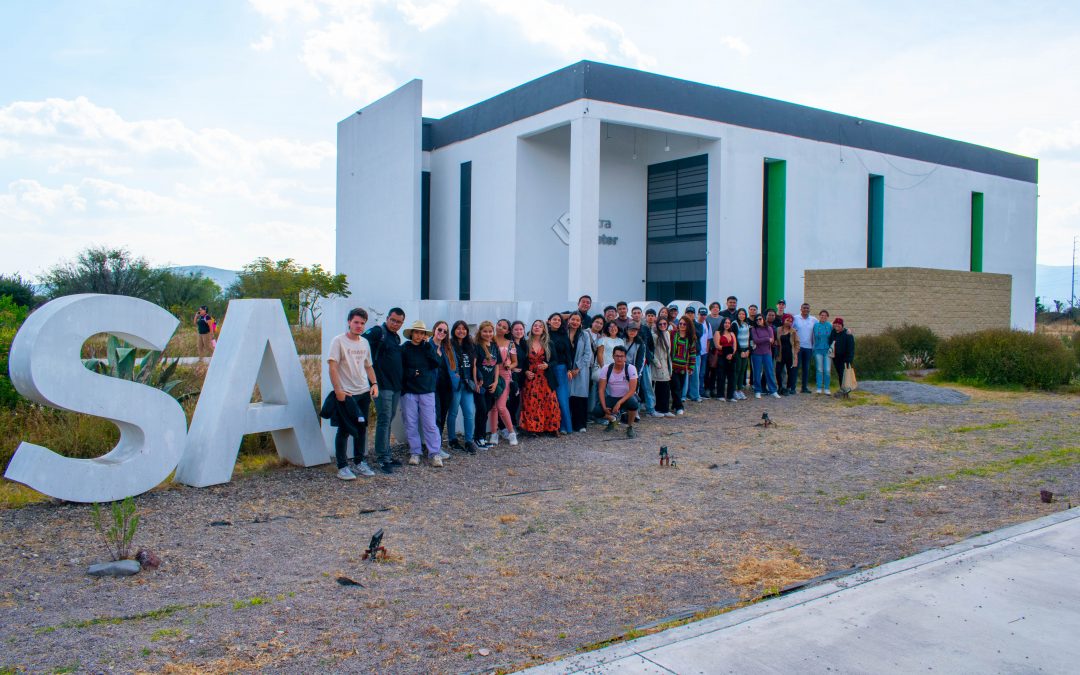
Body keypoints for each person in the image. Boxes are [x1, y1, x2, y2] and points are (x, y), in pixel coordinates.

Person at [327, 307, 379, 480]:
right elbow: (332, 367)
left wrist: (374, 383)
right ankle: (342, 466)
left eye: (362, 323)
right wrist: (338, 390)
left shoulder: (364, 342)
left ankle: (359, 461)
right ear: (349, 322)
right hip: (347, 394)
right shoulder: (338, 341)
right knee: (344, 430)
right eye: (356, 322)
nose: (359, 326)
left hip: (363, 392)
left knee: (361, 428)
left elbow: (368, 366)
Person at [364, 307, 405, 474]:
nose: (395, 324)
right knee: (384, 419)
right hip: (382, 386)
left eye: (399, 322)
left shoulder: (395, 337)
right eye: (393, 320)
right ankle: (382, 458)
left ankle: (386, 453)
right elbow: (361, 342)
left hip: (395, 386)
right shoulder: (377, 332)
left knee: (388, 419)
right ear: (387, 318)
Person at [400, 320, 444, 467]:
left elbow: (436, 362)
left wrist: (428, 346)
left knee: (430, 424)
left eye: (422, 333)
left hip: (427, 390)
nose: (419, 335)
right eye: (416, 332)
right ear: (411, 333)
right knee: (410, 423)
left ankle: (435, 453)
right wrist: (413, 373)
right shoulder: (405, 348)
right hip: (409, 391)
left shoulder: (427, 347)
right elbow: (400, 368)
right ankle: (415, 452)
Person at [520, 320, 561, 434]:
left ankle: (552, 428)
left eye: (540, 326)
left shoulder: (549, 343)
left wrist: (547, 365)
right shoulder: (525, 343)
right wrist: (525, 371)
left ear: (544, 330)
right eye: (535, 325)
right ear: (532, 328)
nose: (537, 327)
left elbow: (555, 361)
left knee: (550, 401)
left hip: (545, 377)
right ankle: (533, 428)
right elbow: (521, 362)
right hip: (531, 378)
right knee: (532, 403)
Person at [445, 320, 478, 454]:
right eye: (458, 328)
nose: (461, 331)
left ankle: (469, 441)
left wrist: (476, 379)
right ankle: (452, 439)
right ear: (453, 330)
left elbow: (474, 365)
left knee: (469, 413)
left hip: (467, 384)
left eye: (464, 329)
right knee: (453, 412)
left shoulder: (470, 345)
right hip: (456, 384)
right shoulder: (449, 344)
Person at [484, 319, 518, 446]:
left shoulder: (510, 344)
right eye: (499, 325)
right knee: (493, 407)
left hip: (504, 376)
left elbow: (515, 362)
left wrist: (510, 365)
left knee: (501, 406)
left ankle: (511, 432)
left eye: (504, 327)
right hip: (490, 374)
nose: (500, 328)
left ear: (508, 331)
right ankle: (494, 433)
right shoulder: (489, 340)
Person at [597, 345, 639, 438]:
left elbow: (632, 390)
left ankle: (630, 426)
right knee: (597, 411)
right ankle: (613, 420)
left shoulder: (631, 368)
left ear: (625, 357)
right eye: (617, 356)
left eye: (621, 356)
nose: (619, 358)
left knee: (634, 403)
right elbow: (601, 389)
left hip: (626, 397)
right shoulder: (606, 368)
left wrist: (619, 403)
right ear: (613, 356)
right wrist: (604, 407)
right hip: (612, 397)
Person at [474, 321, 504, 447]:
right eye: (485, 331)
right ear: (480, 332)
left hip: (491, 384)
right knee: (481, 410)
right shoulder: (477, 346)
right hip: (480, 384)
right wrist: (476, 381)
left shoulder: (494, 346)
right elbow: (474, 365)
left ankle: (482, 437)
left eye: (490, 331)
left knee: (486, 410)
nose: (488, 334)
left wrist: (496, 381)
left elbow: (497, 365)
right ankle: (477, 437)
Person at [546, 313, 574, 435]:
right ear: (549, 321)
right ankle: (551, 426)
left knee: (562, 399)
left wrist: (569, 369)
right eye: (554, 319)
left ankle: (564, 426)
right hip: (546, 369)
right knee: (549, 399)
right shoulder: (544, 334)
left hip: (560, 369)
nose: (557, 321)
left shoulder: (563, 335)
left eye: (559, 320)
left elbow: (568, 354)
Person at [566, 312, 593, 432]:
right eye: (573, 319)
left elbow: (588, 353)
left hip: (580, 370)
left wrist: (578, 368)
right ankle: (568, 424)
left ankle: (580, 424)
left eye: (577, 320)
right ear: (569, 320)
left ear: (581, 322)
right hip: (566, 369)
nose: (575, 322)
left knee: (580, 396)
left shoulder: (584, 335)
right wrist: (568, 368)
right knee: (567, 396)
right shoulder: (564, 333)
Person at [750, 314, 780, 399]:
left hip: (767, 353)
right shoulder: (754, 329)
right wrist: (767, 338)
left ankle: (773, 391)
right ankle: (757, 391)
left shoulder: (769, 328)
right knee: (757, 372)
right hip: (757, 353)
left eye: (760, 319)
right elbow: (756, 340)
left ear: (763, 319)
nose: (758, 321)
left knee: (769, 372)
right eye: (756, 320)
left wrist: (764, 340)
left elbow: (772, 340)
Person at [650, 316, 675, 417]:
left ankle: (664, 409)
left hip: (666, 363)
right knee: (660, 386)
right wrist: (656, 362)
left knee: (665, 386)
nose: (662, 326)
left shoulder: (667, 333)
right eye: (660, 324)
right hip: (658, 364)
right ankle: (661, 409)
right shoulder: (654, 335)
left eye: (664, 324)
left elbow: (668, 350)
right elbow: (651, 351)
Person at [670, 316, 695, 415]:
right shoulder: (673, 334)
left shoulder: (691, 338)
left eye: (684, 324)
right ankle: (679, 407)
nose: (682, 325)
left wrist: (691, 367)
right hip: (672, 366)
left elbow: (692, 353)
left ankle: (674, 405)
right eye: (680, 323)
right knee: (675, 387)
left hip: (683, 367)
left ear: (688, 325)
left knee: (680, 388)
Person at [792, 303, 817, 394]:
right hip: (798, 347)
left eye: (807, 308)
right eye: (804, 308)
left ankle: (804, 388)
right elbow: (789, 328)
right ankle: (792, 388)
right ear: (801, 309)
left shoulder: (814, 320)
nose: (806, 309)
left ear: (809, 309)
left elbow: (821, 325)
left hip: (808, 347)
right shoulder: (795, 318)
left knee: (806, 368)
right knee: (795, 367)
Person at [507, 320, 529, 426]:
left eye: (521, 329)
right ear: (511, 331)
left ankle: (514, 424)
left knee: (517, 402)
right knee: (512, 402)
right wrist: (512, 369)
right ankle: (509, 426)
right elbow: (505, 360)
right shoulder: (509, 344)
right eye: (516, 329)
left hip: (522, 376)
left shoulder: (524, 344)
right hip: (512, 377)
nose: (519, 331)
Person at [775, 314, 801, 395]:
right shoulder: (778, 329)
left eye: (790, 321)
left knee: (790, 372)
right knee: (778, 371)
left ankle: (788, 388)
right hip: (781, 354)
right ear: (783, 320)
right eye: (787, 320)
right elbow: (776, 340)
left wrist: (795, 352)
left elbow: (797, 343)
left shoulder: (793, 331)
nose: (789, 322)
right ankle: (780, 387)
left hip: (790, 354)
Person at [830, 317, 856, 396]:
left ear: (842, 325)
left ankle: (846, 391)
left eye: (839, 324)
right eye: (836, 323)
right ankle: (843, 390)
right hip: (836, 358)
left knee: (845, 375)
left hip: (845, 359)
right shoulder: (833, 332)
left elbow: (851, 348)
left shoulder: (848, 334)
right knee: (840, 374)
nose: (837, 325)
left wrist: (849, 359)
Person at [714, 317, 737, 402]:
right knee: (721, 376)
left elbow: (734, 346)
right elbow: (717, 346)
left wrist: (731, 354)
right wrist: (727, 351)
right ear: (722, 323)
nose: (727, 324)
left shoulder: (732, 333)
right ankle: (720, 395)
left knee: (732, 377)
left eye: (728, 323)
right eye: (725, 322)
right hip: (721, 357)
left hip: (731, 357)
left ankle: (730, 396)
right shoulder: (718, 333)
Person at [813, 310, 834, 394]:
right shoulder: (815, 325)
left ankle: (827, 388)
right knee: (819, 369)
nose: (823, 317)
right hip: (818, 350)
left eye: (825, 315)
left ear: (827, 317)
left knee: (827, 370)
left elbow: (838, 329)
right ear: (819, 316)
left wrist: (848, 330)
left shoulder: (830, 325)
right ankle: (819, 387)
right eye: (822, 315)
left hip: (827, 350)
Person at [733, 308, 751, 400]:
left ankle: (739, 390)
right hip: (738, 350)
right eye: (740, 314)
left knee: (743, 371)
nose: (741, 315)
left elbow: (749, 338)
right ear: (737, 314)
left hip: (746, 349)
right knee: (737, 370)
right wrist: (741, 351)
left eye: (743, 314)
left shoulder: (746, 324)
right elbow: (735, 338)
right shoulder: (735, 324)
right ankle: (734, 390)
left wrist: (748, 350)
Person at [696, 307, 710, 399]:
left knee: (702, 373)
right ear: (698, 314)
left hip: (704, 353)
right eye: (701, 314)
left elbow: (709, 338)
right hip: (695, 352)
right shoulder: (694, 323)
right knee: (694, 373)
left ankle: (701, 390)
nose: (703, 316)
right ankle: (693, 391)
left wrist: (707, 350)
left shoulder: (707, 324)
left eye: (704, 315)